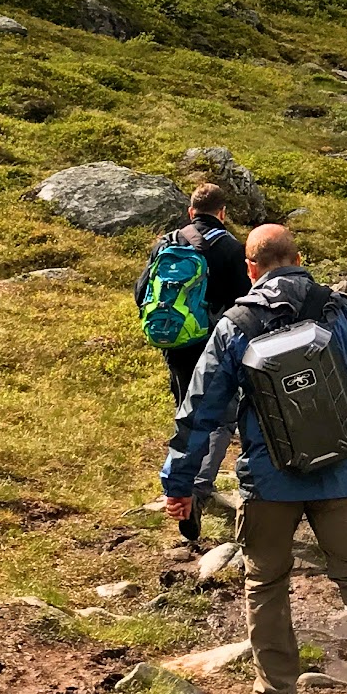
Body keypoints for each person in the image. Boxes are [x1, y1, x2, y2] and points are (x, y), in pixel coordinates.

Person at [160, 223, 347, 694]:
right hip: (344, 472)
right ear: (299, 258)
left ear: (250, 268)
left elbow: (199, 412)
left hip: (269, 483)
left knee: (266, 585)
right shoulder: (342, 309)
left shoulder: (235, 324)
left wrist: (180, 483)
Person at [135, 183, 250, 549]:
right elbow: (243, 301)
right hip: (213, 342)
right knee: (220, 415)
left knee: (186, 408)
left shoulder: (166, 242)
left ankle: (180, 475)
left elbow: (141, 293)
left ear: (189, 211)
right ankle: (198, 488)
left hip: (174, 342)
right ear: (222, 213)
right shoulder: (231, 247)